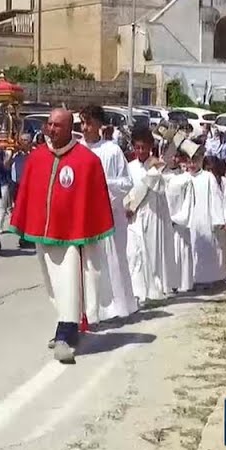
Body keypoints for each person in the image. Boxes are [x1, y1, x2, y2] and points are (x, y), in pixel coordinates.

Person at [7, 108, 116, 364]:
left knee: (70, 283)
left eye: (57, 125)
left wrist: (87, 229)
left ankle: (65, 335)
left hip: (73, 237)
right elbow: (28, 193)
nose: (51, 129)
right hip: (45, 235)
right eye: (49, 124)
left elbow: (95, 199)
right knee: (54, 285)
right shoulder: (37, 158)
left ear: (69, 128)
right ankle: (67, 326)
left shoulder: (86, 160)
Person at [79, 104, 138, 319]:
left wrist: (102, 184)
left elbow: (126, 182)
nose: (84, 128)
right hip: (84, 217)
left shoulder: (112, 150)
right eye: (82, 123)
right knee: (89, 264)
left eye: (88, 123)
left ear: (98, 125)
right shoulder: (77, 150)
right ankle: (91, 309)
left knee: (112, 261)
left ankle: (117, 307)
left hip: (109, 215)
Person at [123, 128, 177, 304]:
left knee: (151, 252)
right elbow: (126, 189)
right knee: (134, 253)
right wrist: (127, 206)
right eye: (137, 148)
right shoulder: (129, 167)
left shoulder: (158, 166)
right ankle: (136, 291)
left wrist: (155, 170)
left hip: (153, 214)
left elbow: (161, 188)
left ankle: (153, 289)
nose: (140, 152)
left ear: (150, 147)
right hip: (134, 215)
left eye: (143, 148)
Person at [185, 157, 226, 286]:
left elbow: (216, 198)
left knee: (206, 248)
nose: (192, 165)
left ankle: (208, 279)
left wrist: (219, 218)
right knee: (191, 249)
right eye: (189, 162)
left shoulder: (208, 177)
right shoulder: (184, 178)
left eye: (195, 161)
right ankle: (192, 278)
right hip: (189, 219)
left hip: (205, 219)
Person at [164, 151, 197, 293]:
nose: (173, 159)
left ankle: (184, 283)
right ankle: (169, 283)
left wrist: (177, 219)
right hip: (166, 222)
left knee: (181, 250)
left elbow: (188, 203)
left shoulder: (187, 179)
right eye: (171, 156)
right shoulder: (165, 177)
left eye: (176, 156)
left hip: (179, 223)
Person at [207, 156, 226, 284]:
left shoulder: (223, 182)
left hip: (220, 219)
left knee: (220, 248)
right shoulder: (201, 180)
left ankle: (220, 274)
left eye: (211, 169)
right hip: (205, 219)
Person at [3, 134, 33, 250]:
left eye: (25, 140)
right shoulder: (15, 154)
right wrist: (11, 154)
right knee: (19, 211)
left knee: (29, 213)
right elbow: (5, 166)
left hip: (30, 185)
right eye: (21, 140)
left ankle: (28, 237)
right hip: (17, 185)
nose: (23, 142)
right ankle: (22, 236)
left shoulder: (33, 153)